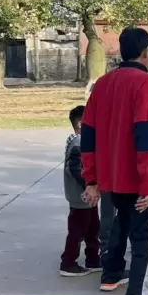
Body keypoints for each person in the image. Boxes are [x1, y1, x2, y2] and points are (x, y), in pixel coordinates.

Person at [81, 28, 148, 295]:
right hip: (140, 183)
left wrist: (92, 179)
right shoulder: (145, 83)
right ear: (147, 52)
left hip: (114, 181)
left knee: (123, 230)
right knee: (145, 251)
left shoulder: (103, 84)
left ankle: (111, 276)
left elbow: (87, 135)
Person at [60, 105, 101, 276]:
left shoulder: (81, 141)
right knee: (77, 231)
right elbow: (76, 169)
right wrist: (89, 187)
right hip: (80, 197)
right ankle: (68, 263)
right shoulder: (78, 143)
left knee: (93, 228)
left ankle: (93, 258)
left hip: (88, 196)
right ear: (80, 124)